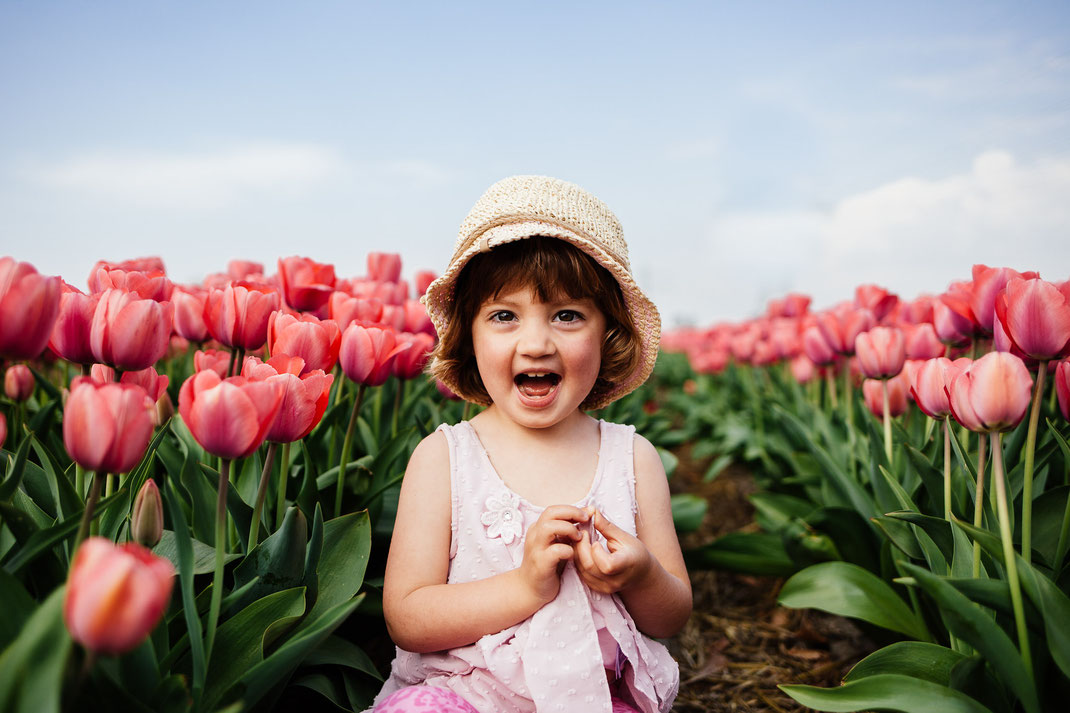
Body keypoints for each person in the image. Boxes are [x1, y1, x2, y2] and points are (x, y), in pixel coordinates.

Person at [372, 175, 691, 713]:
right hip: (462, 695)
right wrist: (525, 585)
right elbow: (407, 617)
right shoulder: (445, 459)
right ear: (468, 336)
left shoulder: (631, 459)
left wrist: (641, 574)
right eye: (504, 316)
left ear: (608, 333)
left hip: (592, 698)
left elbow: (670, 616)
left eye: (567, 315)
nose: (537, 343)